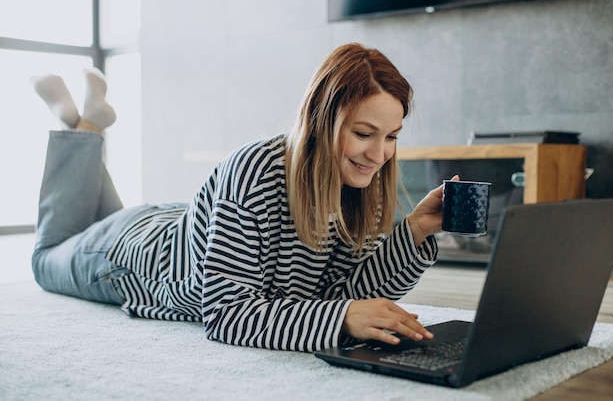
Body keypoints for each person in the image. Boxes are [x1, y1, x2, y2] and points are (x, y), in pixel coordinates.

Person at [31, 43, 450, 352]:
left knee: (82, 224)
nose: (379, 155)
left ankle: (85, 127)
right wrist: (341, 318)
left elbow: (346, 291)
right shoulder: (255, 168)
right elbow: (226, 314)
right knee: (46, 254)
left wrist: (412, 232)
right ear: (321, 120)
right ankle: (83, 132)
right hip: (130, 254)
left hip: (186, 224)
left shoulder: (363, 181)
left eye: (391, 137)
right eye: (363, 134)